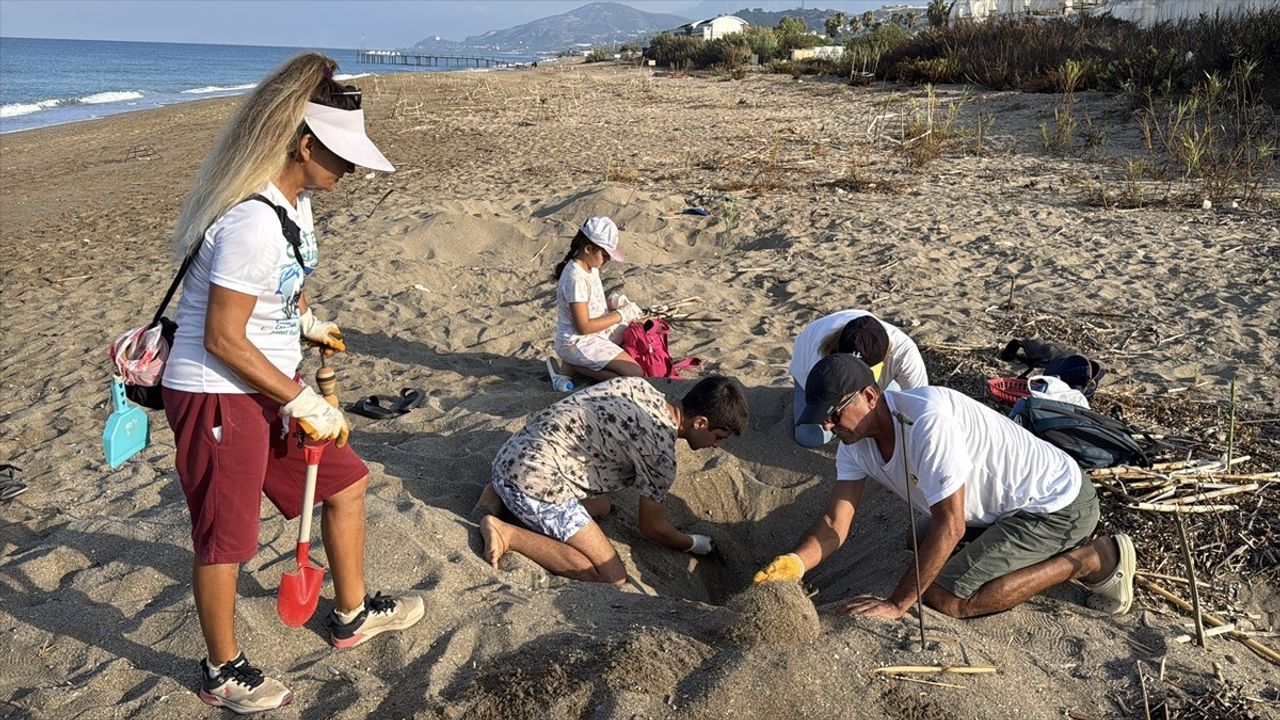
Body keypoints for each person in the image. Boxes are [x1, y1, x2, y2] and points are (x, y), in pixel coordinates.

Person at [160, 53, 423, 714]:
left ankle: (353, 613)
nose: (353, 169)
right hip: (218, 389)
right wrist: (302, 398)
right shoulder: (250, 219)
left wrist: (307, 324)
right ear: (305, 144)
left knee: (347, 483)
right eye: (341, 154)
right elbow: (221, 336)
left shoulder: (296, 204)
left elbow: (273, 296)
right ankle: (222, 670)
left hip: (267, 381)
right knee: (226, 540)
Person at [755, 354, 1135, 620]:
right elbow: (834, 524)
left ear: (870, 396)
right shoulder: (856, 446)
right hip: (997, 506)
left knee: (946, 596)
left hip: (1058, 504)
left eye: (833, 414)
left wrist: (897, 604)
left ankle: (1091, 560)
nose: (828, 426)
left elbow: (950, 525)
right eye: (823, 419)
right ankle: (1000, 549)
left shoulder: (926, 422)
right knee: (917, 542)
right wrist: (796, 564)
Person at [475, 376, 750, 583]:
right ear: (700, 422)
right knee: (611, 576)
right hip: (536, 482)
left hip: (511, 455)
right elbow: (652, 527)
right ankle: (508, 533)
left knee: (604, 505)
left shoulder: (638, 386)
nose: (717, 446)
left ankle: (498, 495)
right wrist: (693, 543)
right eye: (719, 437)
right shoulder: (661, 457)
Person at [790, 310, 928, 448]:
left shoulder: (905, 355)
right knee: (809, 437)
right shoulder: (822, 360)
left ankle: (884, 394)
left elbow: (920, 409)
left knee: (886, 418)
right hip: (807, 372)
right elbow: (823, 404)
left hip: (873, 385)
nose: (859, 379)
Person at [551, 216, 646, 381]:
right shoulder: (576, 278)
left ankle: (576, 366)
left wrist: (614, 303)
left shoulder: (590, 266)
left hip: (595, 334)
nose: (608, 260)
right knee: (634, 374)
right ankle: (574, 366)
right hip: (577, 342)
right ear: (588, 249)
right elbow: (584, 326)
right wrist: (621, 314)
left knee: (638, 331)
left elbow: (590, 304)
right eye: (605, 255)